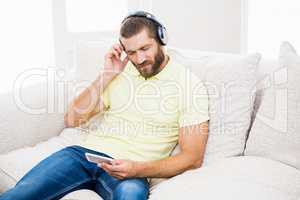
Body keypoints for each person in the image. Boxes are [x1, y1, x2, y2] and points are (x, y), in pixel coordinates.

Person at [0, 11, 209, 200]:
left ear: (162, 40)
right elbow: (73, 119)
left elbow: (192, 158)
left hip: (132, 170)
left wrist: (138, 169)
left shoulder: (189, 85)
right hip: (84, 155)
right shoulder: (122, 71)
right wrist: (107, 75)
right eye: (132, 52)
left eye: (145, 48)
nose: (140, 59)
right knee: (17, 196)